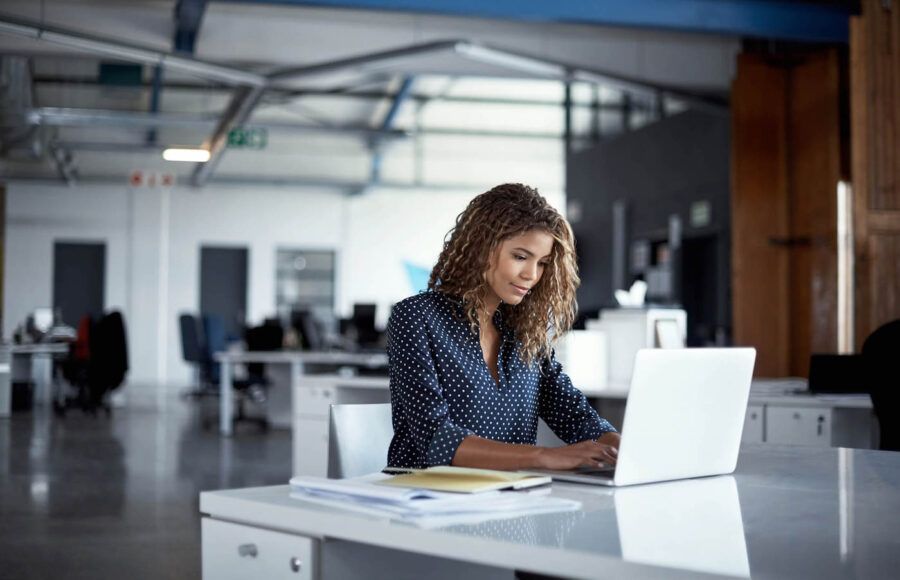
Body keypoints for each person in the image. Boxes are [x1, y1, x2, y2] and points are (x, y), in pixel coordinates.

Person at [387, 183, 620, 470]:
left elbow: (575, 416)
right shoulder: (416, 317)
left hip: (512, 501)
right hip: (428, 500)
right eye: (520, 257)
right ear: (480, 248)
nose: (531, 275)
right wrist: (546, 456)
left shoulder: (525, 332)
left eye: (543, 263)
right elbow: (437, 439)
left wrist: (624, 449)